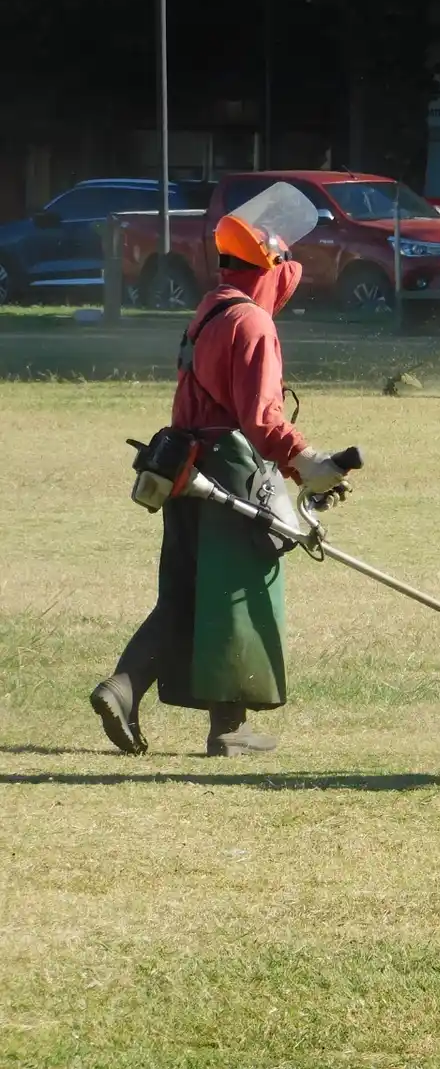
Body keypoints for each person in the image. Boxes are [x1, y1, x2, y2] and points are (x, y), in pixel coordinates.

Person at [88, 204, 355, 757]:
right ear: (272, 266)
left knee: (188, 595)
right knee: (239, 593)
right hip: (231, 472)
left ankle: (123, 688)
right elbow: (262, 419)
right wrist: (309, 462)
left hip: (184, 469)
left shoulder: (212, 307)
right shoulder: (253, 323)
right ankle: (229, 730)